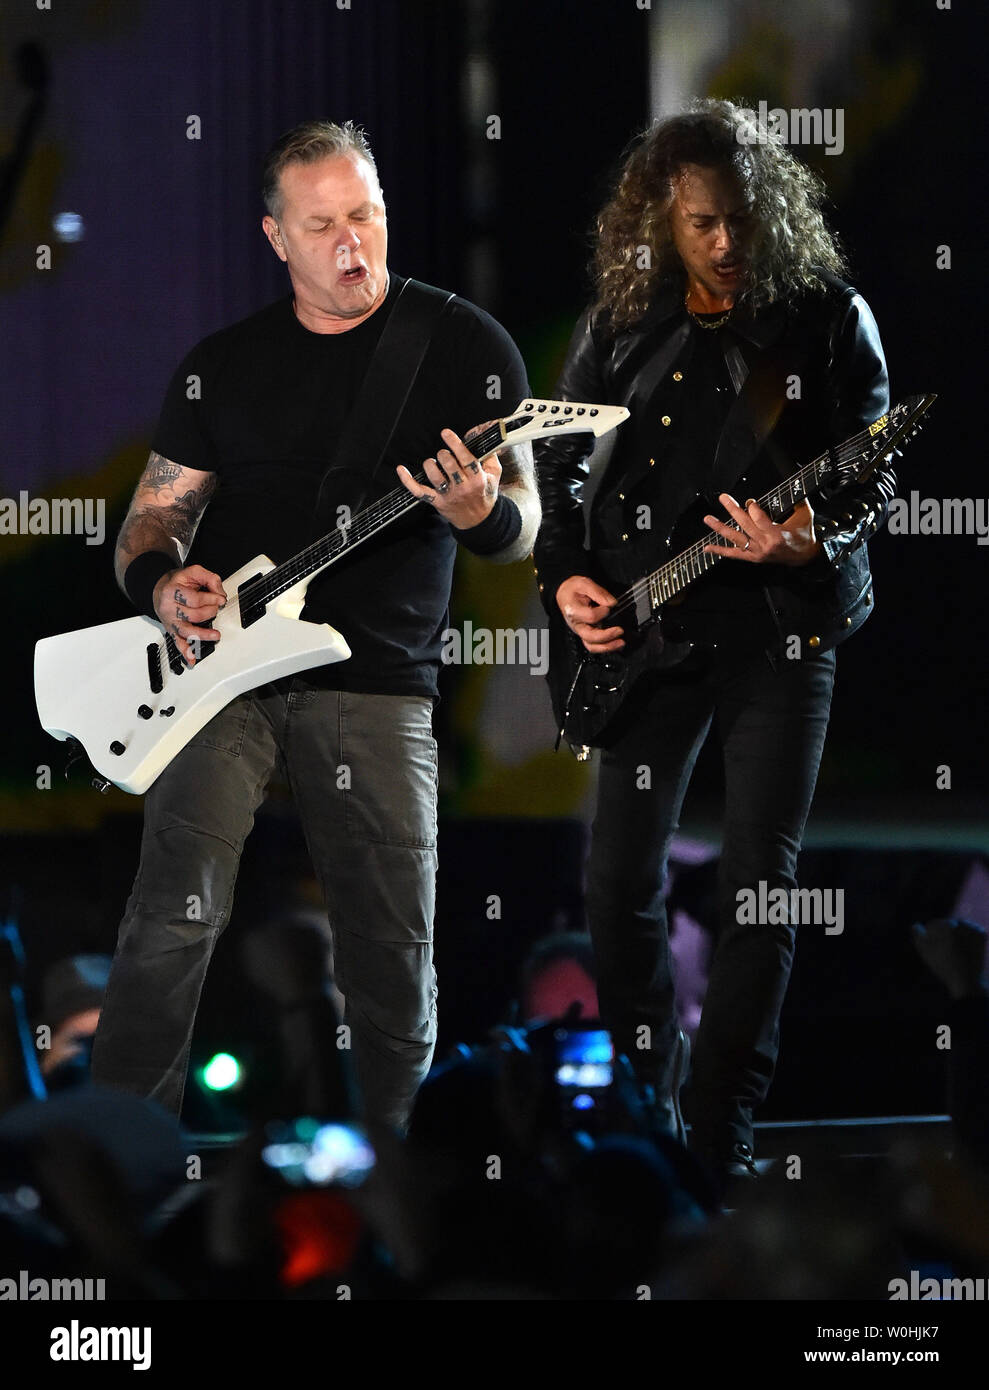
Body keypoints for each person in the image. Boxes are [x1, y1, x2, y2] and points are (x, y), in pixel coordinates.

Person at [90, 120, 539, 1132]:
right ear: (275, 236)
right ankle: (118, 1156)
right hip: (223, 677)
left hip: (377, 678)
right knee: (172, 915)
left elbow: (521, 526)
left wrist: (482, 515)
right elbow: (148, 522)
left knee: (391, 948)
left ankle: (392, 1179)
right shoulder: (225, 363)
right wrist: (166, 586)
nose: (351, 244)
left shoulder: (463, 344)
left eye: (366, 216)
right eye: (323, 223)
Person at [533, 99, 895, 1194]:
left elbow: (869, 465)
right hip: (644, 632)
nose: (725, 244)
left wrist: (805, 537)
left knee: (760, 886)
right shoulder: (618, 320)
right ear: (661, 219)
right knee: (615, 884)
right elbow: (554, 473)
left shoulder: (824, 318)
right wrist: (564, 581)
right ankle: (648, 1101)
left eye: (738, 220)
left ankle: (718, 1120)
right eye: (700, 224)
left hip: (779, 634)